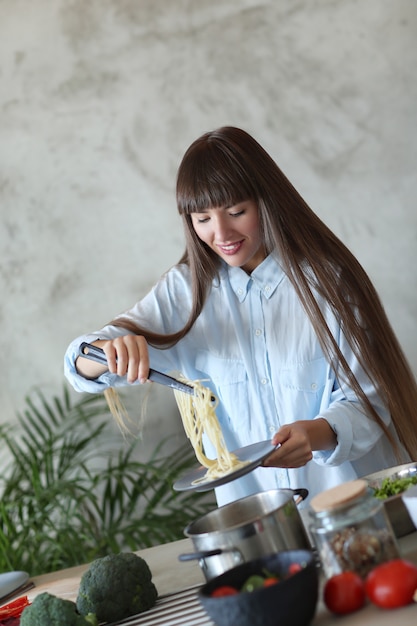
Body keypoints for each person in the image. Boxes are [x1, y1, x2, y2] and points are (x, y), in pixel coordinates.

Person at [64, 126, 417, 507]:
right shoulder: (185, 293)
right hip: (260, 522)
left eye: (236, 212)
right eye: (202, 219)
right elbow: (77, 365)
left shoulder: (329, 283)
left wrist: (318, 433)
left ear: (268, 201)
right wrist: (107, 351)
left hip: (356, 506)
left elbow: (370, 399)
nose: (221, 233)